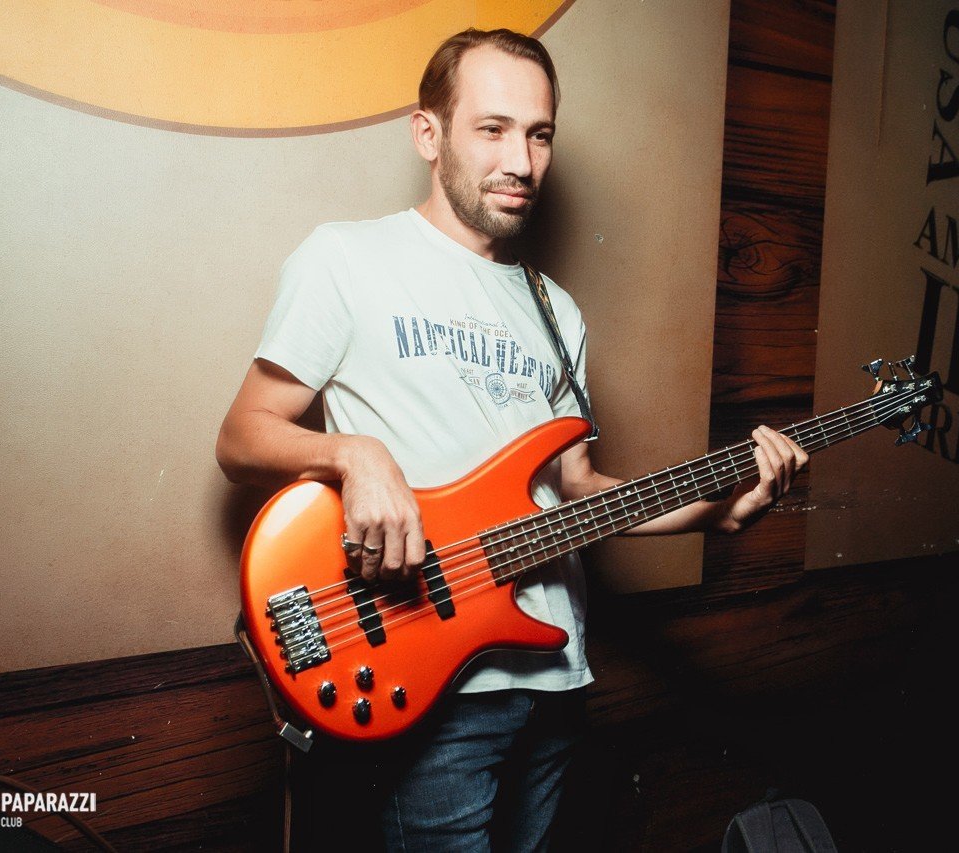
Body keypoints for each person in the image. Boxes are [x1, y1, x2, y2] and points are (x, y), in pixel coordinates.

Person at [216, 27, 808, 850]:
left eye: (539, 134)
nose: (521, 162)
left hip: (555, 675)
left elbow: (579, 489)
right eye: (492, 129)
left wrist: (719, 511)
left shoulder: (556, 310)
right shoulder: (347, 259)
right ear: (429, 134)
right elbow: (242, 437)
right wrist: (356, 455)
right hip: (431, 678)